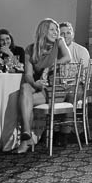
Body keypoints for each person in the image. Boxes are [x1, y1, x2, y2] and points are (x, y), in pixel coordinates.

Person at [15, 18, 71, 153]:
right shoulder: (30, 49)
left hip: (56, 88)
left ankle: (25, 140)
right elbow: (28, 74)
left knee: (23, 103)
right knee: (24, 88)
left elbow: (67, 57)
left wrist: (49, 68)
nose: (56, 32)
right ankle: (27, 133)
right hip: (40, 86)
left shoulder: (59, 42)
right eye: (52, 29)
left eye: (56, 29)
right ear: (43, 31)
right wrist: (35, 83)